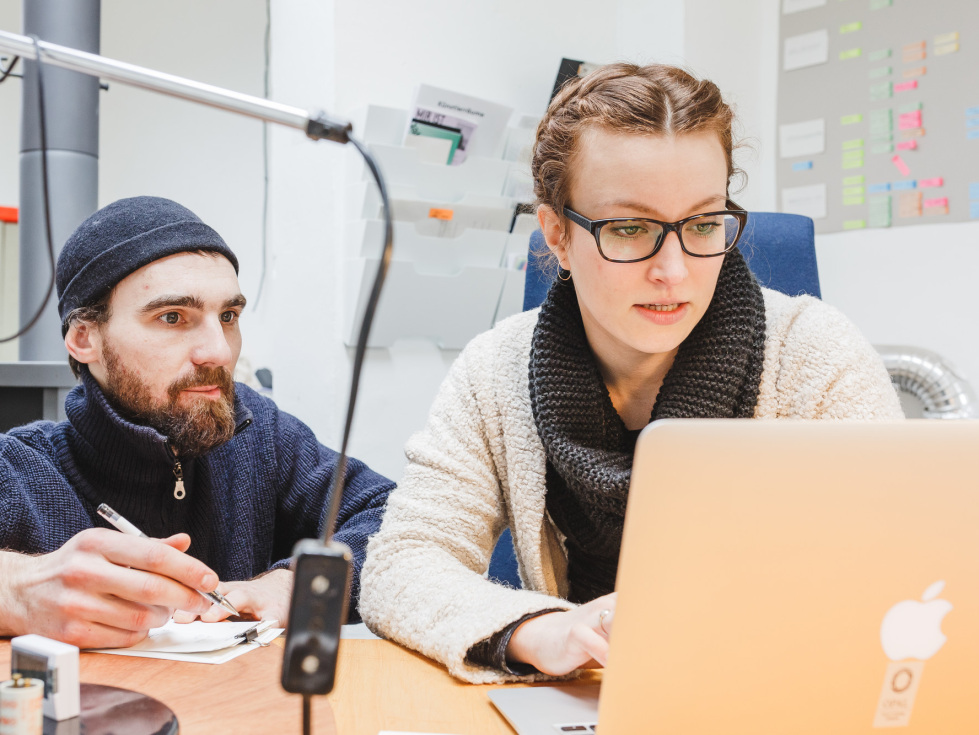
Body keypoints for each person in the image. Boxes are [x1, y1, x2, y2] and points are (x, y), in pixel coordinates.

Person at [359, 63, 903, 683]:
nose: (673, 270)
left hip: (770, 691)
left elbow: (891, 568)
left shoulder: (815, 354)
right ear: (557, 234)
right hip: (584, 701)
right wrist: (543, 628)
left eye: (701, 224)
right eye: (629, 228)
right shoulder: (493, 370)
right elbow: (402, 563)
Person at [0, 196, 394, 649]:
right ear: (84, 338)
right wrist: (15, 590)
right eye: (173, 317)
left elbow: (395, 519)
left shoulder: (259, 434)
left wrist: (293, 585)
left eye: (228, 316)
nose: (220, 353)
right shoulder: (21, 470)